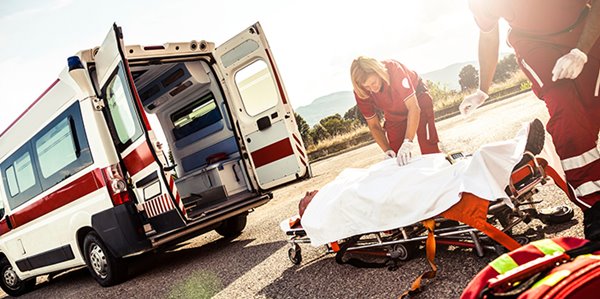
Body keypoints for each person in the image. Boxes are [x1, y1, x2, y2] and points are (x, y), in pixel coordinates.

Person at [460, 0, 600, 241]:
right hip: (535, 45)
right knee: (567, 113)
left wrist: (581, 50)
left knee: (591, 109)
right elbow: (488, 35)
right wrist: (483, 90)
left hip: (585, 26)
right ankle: (596, 205)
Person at [350, 56, 440, 166]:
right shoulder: (361, 92)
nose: (372, 89)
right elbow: (374, 126)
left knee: (428, 148)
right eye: (367, 87)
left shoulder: (393, 69)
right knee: (396, 156)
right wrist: (387, 150)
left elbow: (413, 108)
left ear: (379, 73)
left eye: (373, 83)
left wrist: (408, 142)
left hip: (418, 99)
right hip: (393, 110)